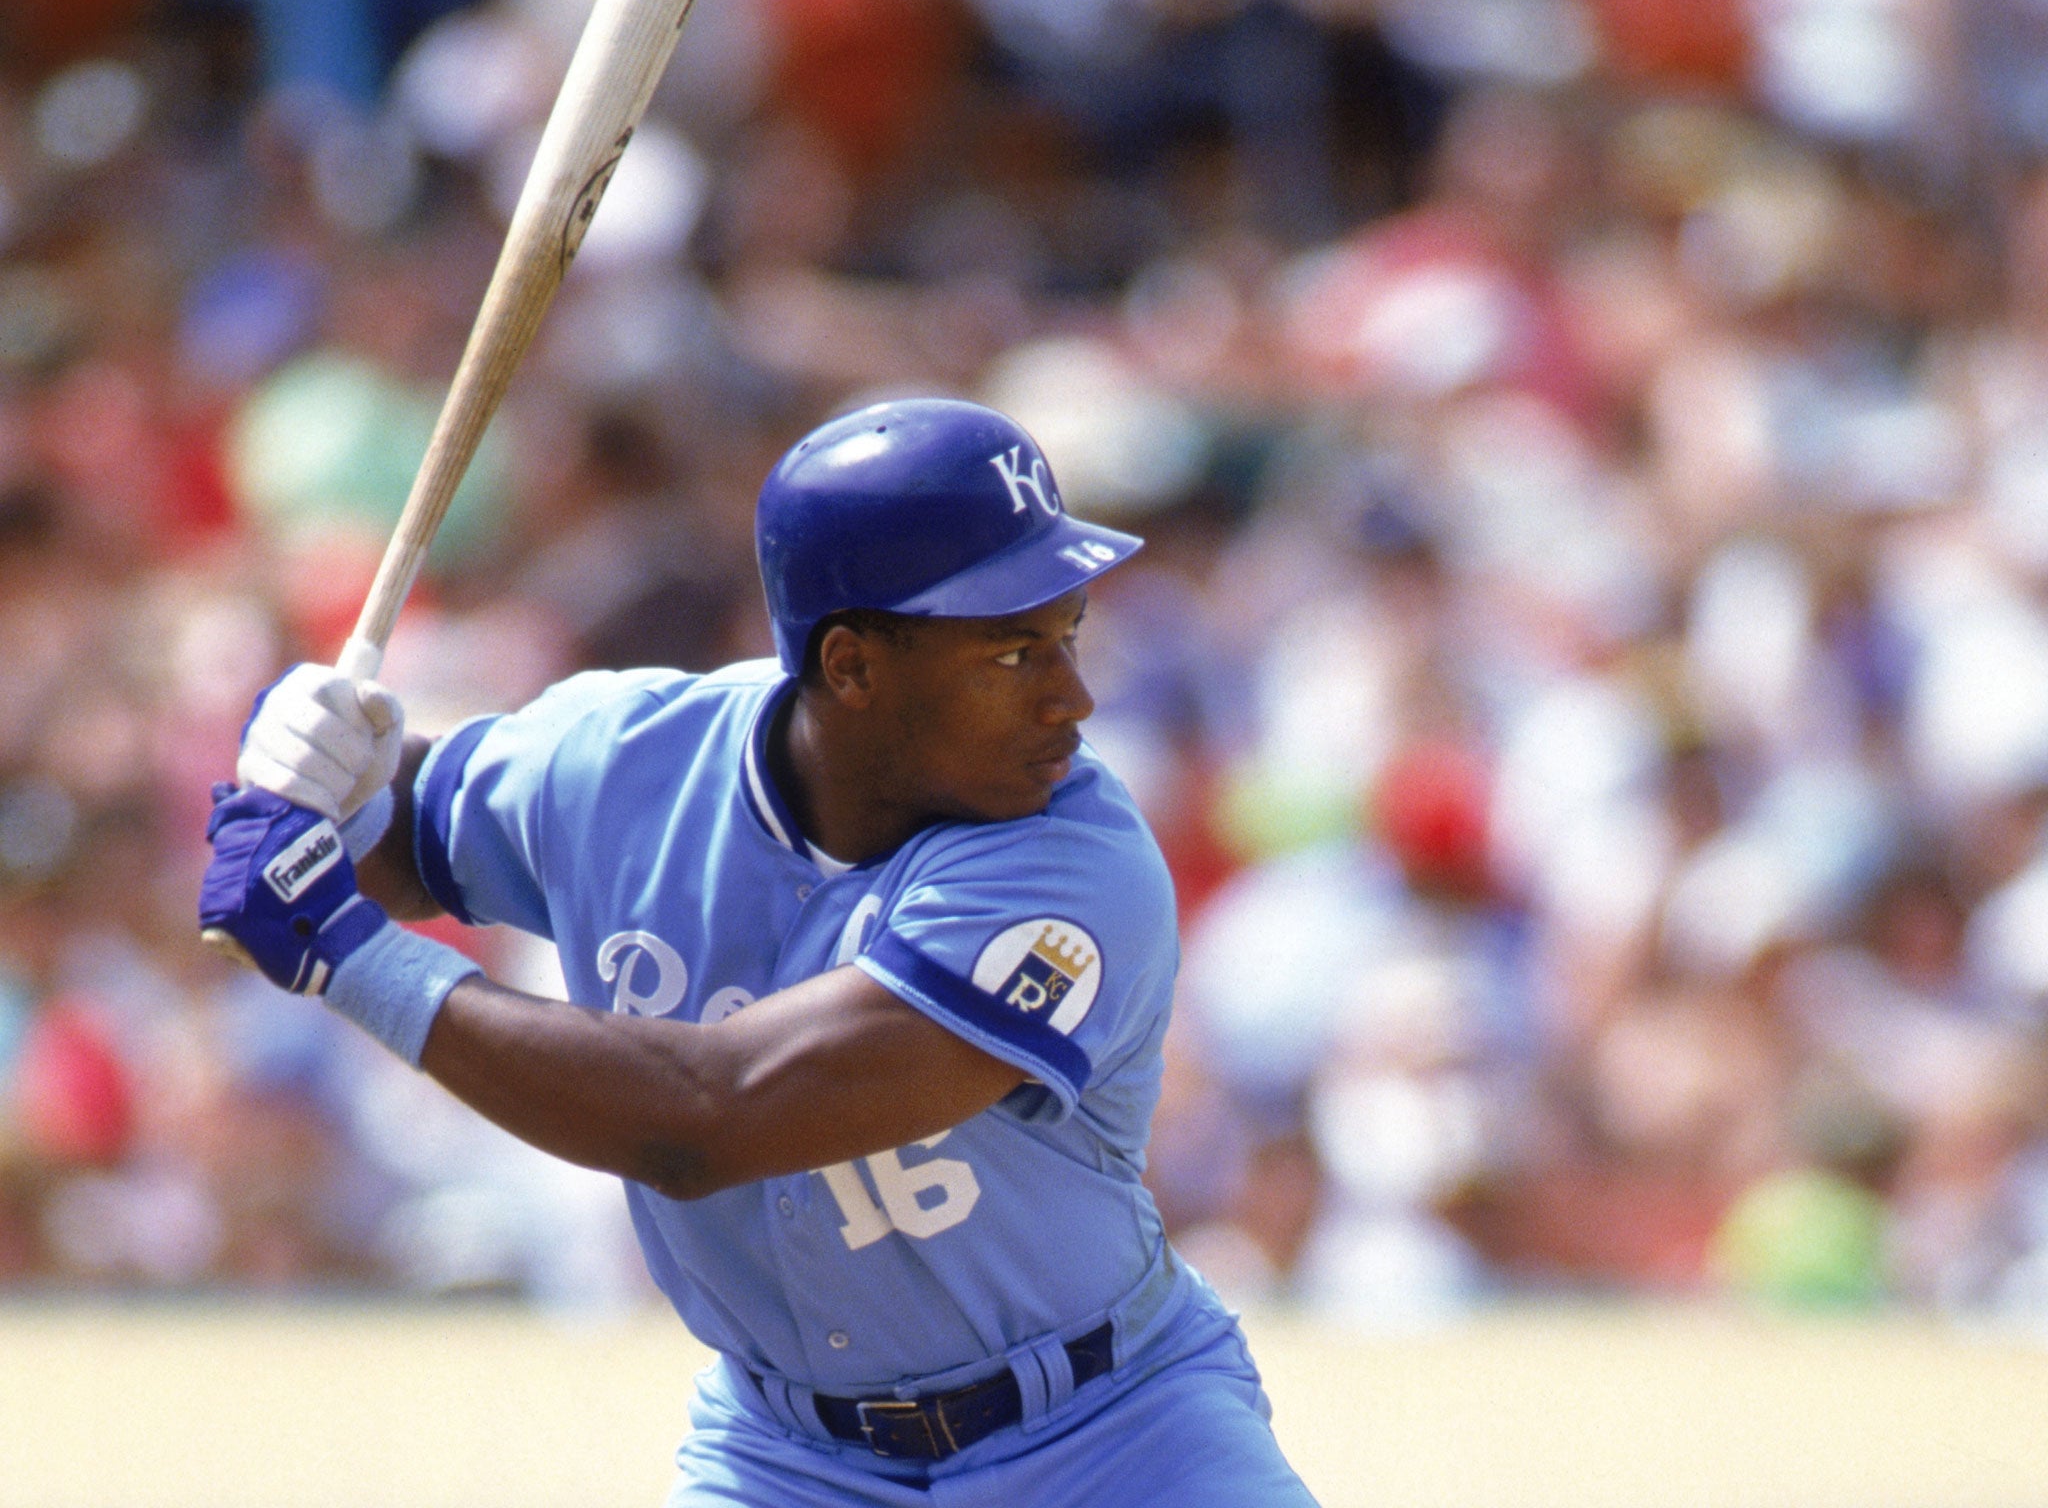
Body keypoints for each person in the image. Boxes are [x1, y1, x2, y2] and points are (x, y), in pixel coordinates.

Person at [199, 397, 1320, 1506]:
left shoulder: (1074, 860)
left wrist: (347, 957)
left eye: (1067, 635)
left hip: (1107, 1436)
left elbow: (707, 1120)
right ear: (851, 665)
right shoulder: (621, 758)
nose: (1070, 697)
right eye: (1011, 652)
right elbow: (399, 834)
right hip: (792, 1459)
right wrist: (322, 782)